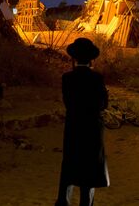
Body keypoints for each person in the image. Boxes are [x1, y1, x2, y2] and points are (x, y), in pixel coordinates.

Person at [56, 38, 109, 206]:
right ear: (91, 59)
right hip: (92, 128)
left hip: (73, 126)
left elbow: (68, 102)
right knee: (89, 166)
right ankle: (86, 203)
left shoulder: (67, 78)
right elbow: (102, 104)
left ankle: (63, 201)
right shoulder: (97, 78)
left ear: (74, 58)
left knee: (69, 164)